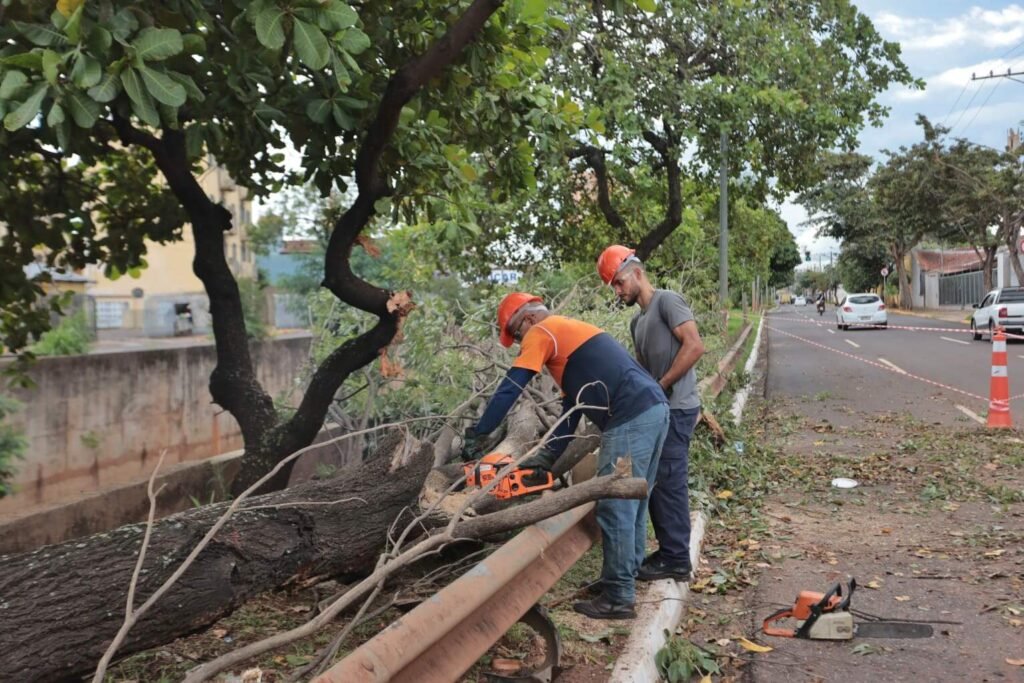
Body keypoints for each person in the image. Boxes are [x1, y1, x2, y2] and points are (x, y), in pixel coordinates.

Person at [461, 292, 669, 619]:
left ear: (528, 319)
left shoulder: (542, 332)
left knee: (615, 505)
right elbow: (572, 411)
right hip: (652, 409)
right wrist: (546, 459)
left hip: (630, 417)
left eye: (516, 334)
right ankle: (621, 577)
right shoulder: (568, 339)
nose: (519, 342)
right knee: (634, 503)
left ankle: (618, 597)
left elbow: (511, 386)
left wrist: (480, 430)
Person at [597, 245, 705, 582]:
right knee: (655, 484)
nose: (618, 291)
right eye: (613, 286)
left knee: (669, 483)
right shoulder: (637, 321)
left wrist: (663, 384)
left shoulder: (667, 302)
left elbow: (695, 346)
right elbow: (642, 373)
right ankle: (668, 552)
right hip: (658, 410)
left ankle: (676, 559)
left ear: (637, 272)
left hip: (679, 407)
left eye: (619, 282)